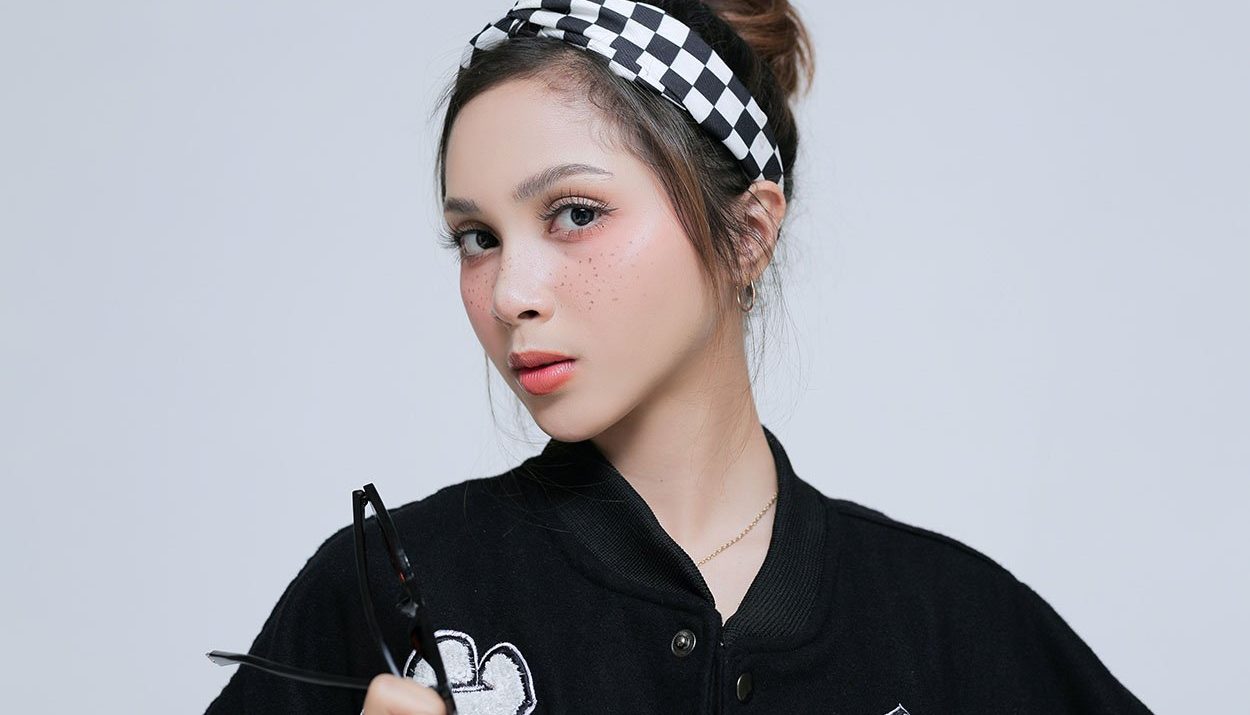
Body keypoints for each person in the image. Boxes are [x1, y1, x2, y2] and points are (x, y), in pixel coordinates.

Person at [205, 0, 1155, 712]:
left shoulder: (955, 627)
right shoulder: (390, 591)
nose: (508, 293)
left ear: (749, 234)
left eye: (575, 213)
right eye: (477, 237)